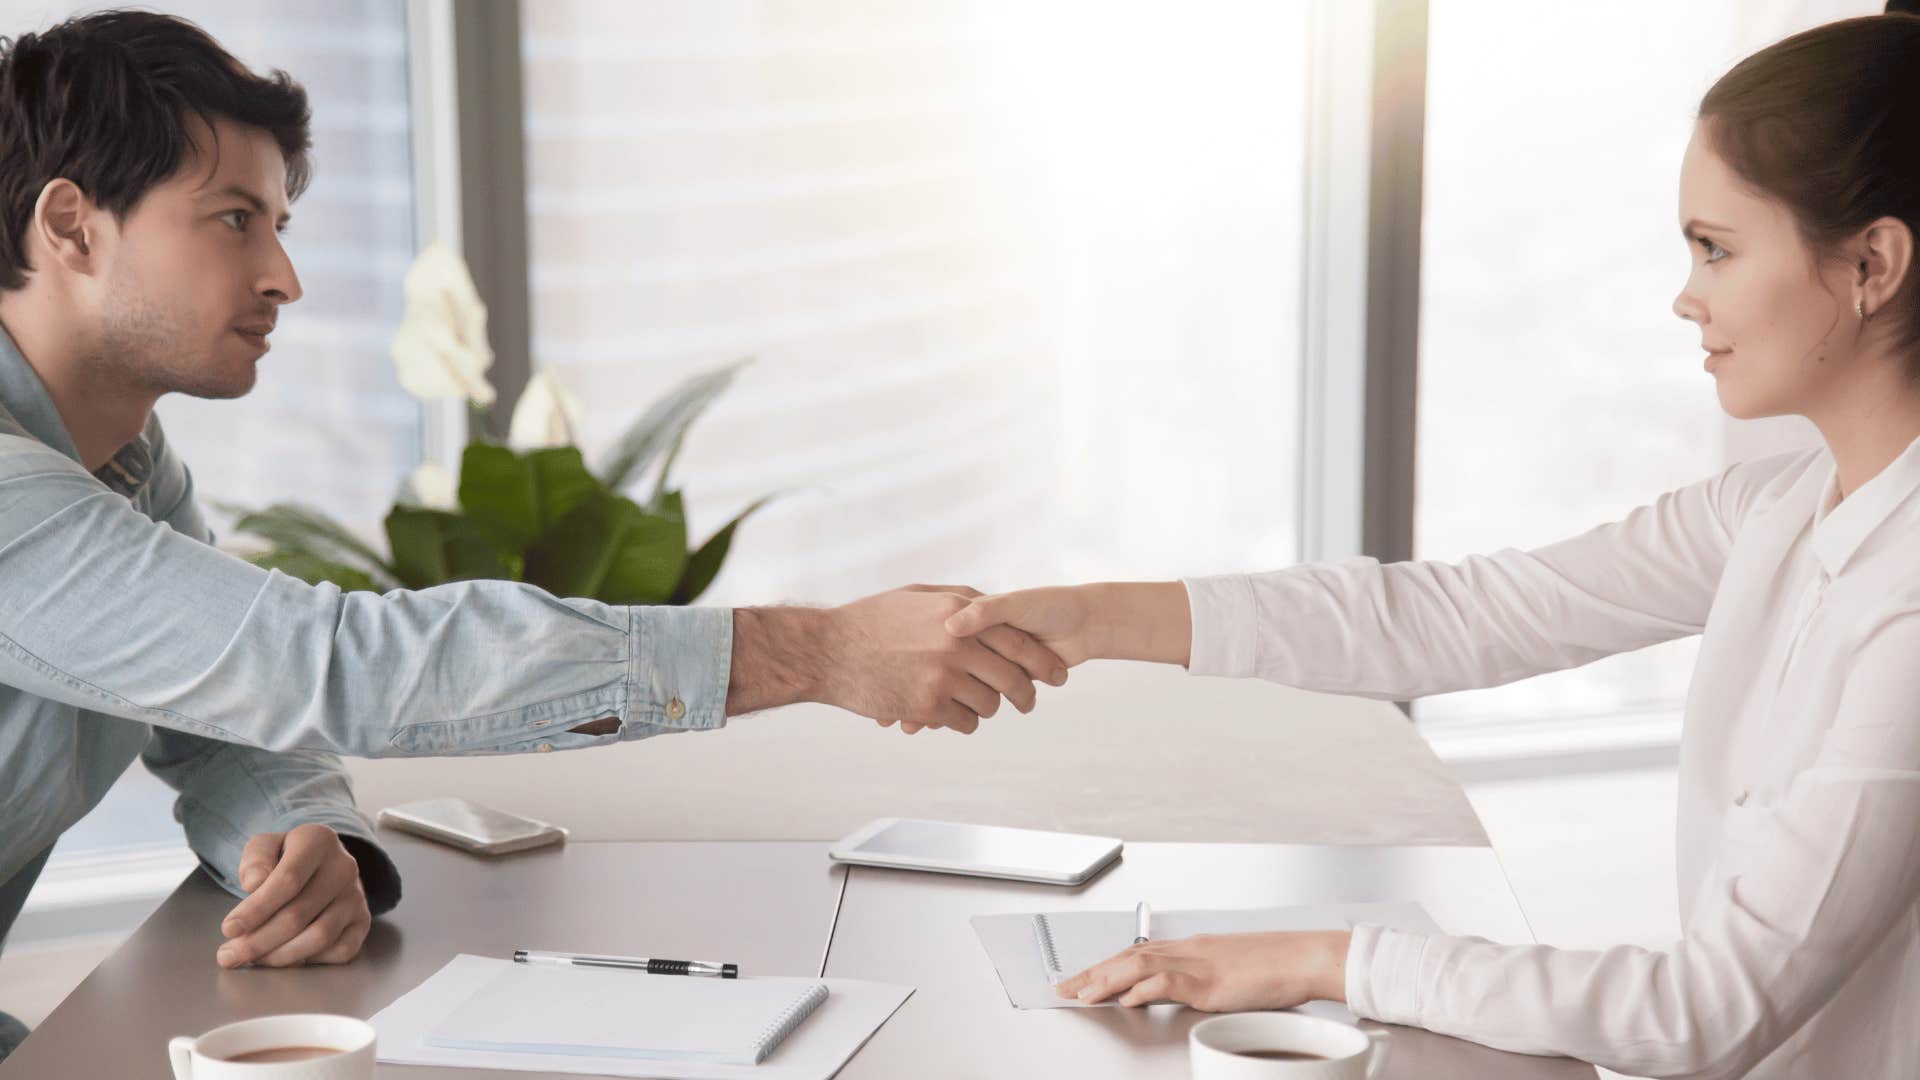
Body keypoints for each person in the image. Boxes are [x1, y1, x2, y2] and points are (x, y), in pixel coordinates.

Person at [0, 10, 1066, 1059]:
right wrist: (824, 652)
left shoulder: (125, 463)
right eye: (236, 219)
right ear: (69, 225)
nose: (285, 277)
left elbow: (227, 721)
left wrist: (298, 831)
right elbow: (317, 661)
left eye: (281, 226)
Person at [946, 9, 1920, 1079]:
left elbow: (1705, 1006)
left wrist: (1322, 960)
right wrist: (1083, 619)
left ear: (1872, 263)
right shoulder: (1776, 510)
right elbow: (1456, 615)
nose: (1686, 296)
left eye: (1717, 248)